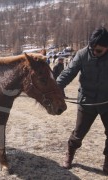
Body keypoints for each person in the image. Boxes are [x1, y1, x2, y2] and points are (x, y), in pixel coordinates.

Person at [56, 27, 108, 173]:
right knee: (78, 134)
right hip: (87, 101)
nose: (94, 52)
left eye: (98, 50)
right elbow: (68, 73)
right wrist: (56, 88)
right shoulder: (82, 54)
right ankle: (69, 155)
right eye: (92, 48)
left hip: (107, 102)